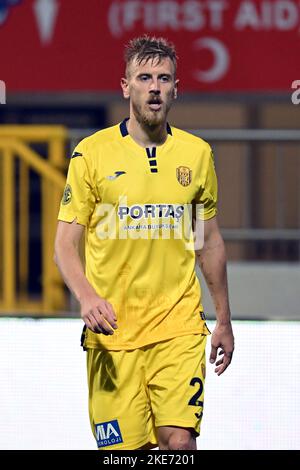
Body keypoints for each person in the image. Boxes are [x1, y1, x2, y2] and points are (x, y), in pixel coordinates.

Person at [54, 35, 234, 451]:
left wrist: (223, 319)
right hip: (113, 332)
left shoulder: (197, 154)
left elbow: (208, 243)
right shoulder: (91, 154)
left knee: (180, 443)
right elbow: (64, 245)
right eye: (145, 77)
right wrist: (85, 297)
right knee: (126, 455)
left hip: (178, 326)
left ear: (176, 88)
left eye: (164, 78)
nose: (155, 87)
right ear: (126, 86)